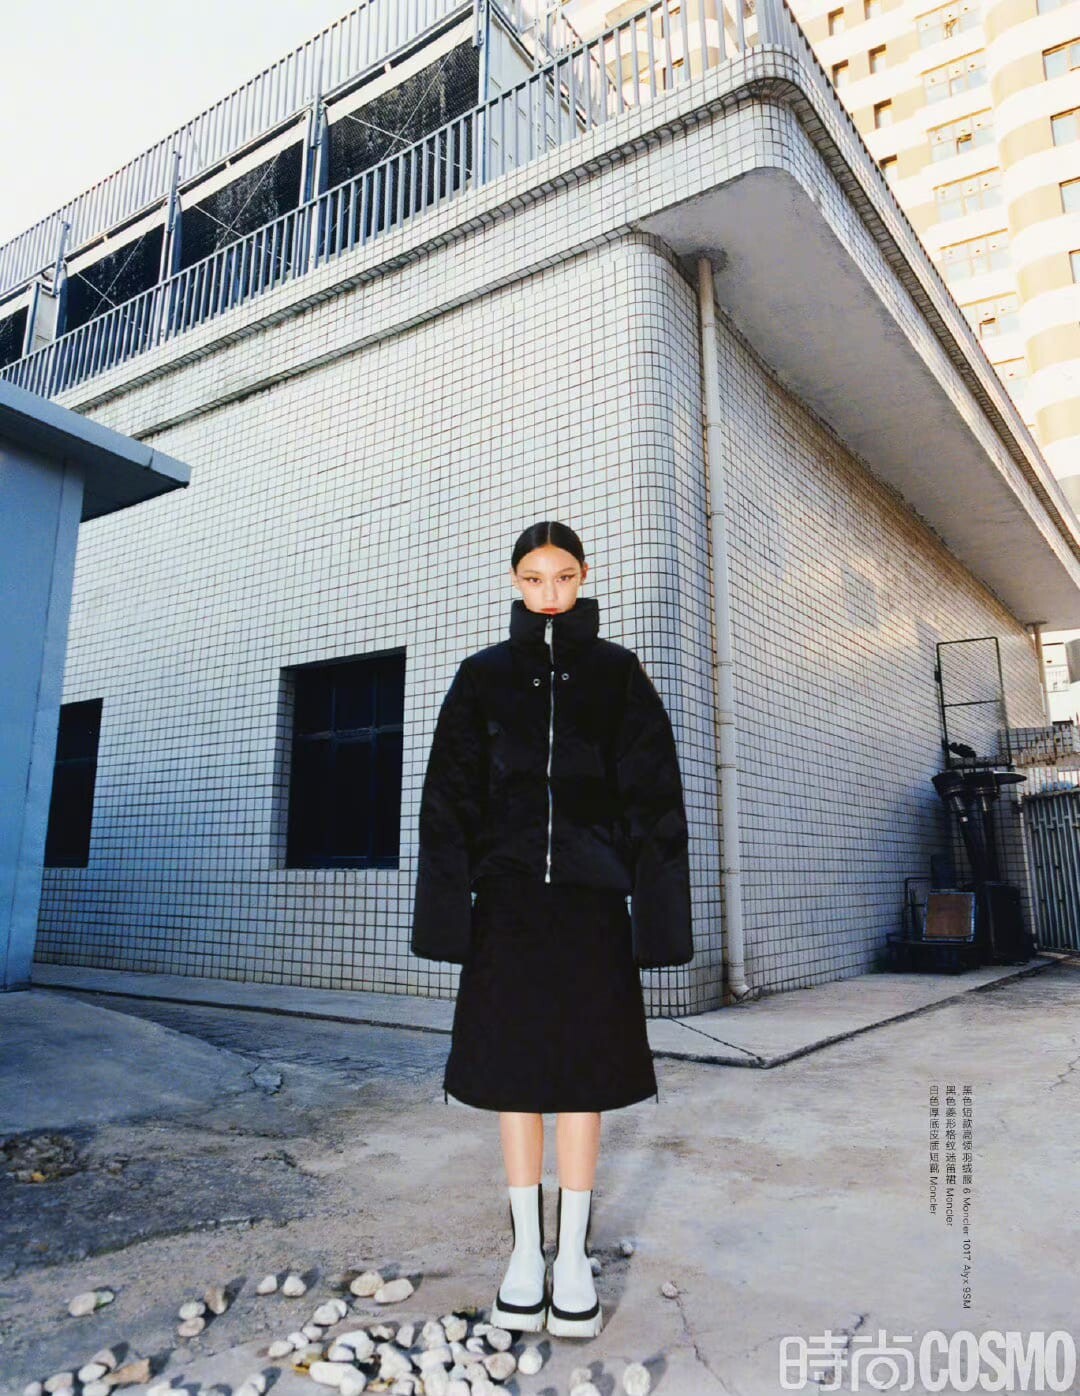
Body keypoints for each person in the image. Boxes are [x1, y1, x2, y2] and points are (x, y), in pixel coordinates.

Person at [410, 519, 693, 1339]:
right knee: (514, 1076)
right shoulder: (481, 678)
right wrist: (448, 914)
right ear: (514, 582)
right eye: (534, 578)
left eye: (562, 577)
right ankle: (523, 1255)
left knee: (584, 1077)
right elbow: (447, 798)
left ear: (584, 576)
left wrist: (657, 919)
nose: (549, 593)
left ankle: (571, 1257)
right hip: (507, 906)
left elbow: (655, 798)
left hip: (590, 904)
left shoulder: (617, 674)